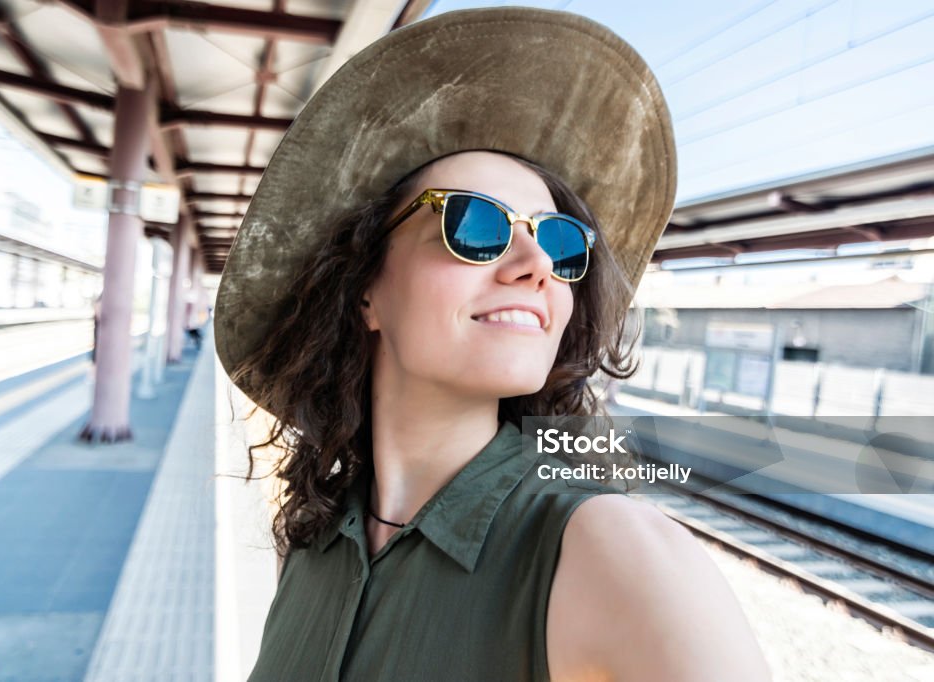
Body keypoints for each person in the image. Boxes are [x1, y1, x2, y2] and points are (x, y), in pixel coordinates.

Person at [214, 7, 771, 681]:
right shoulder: (312, 543)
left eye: (562, 241)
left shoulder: (616, 554)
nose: (537, 261)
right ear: (364, 289)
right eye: (473, 224)